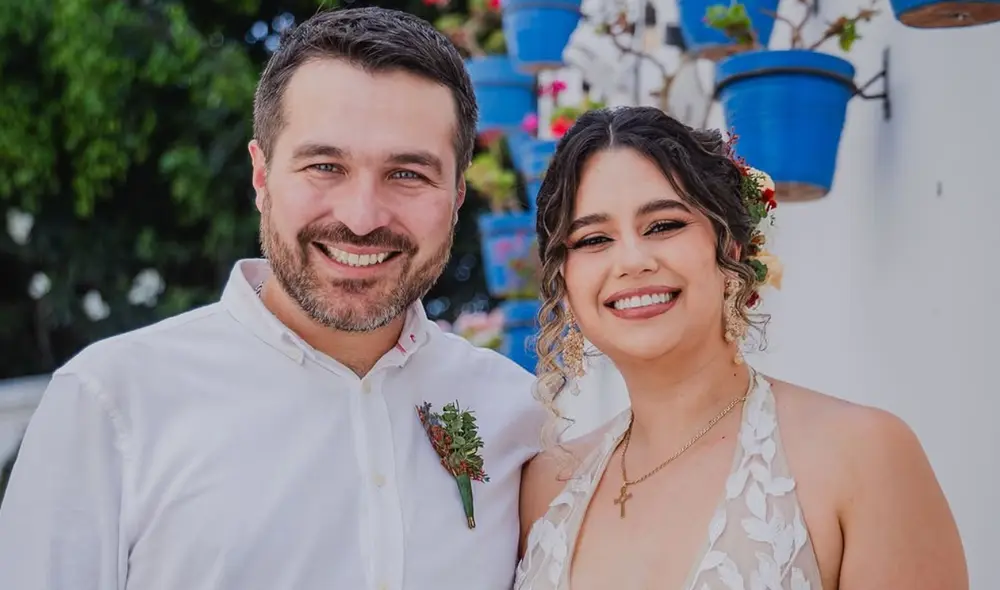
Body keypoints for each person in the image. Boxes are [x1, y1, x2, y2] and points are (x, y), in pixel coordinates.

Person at [0, 7, 543, 589]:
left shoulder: (515, 414)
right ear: (261, 176)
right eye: (325, 166)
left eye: (407, 174)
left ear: (457, 195)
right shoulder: (112, 404)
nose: (362, 218)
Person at [515, 107, 967, 589]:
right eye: (594, 238)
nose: (632, 260)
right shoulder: (546, 487)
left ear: (730, 248)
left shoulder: (862, 456)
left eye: (663, 225)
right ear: (564, 281)